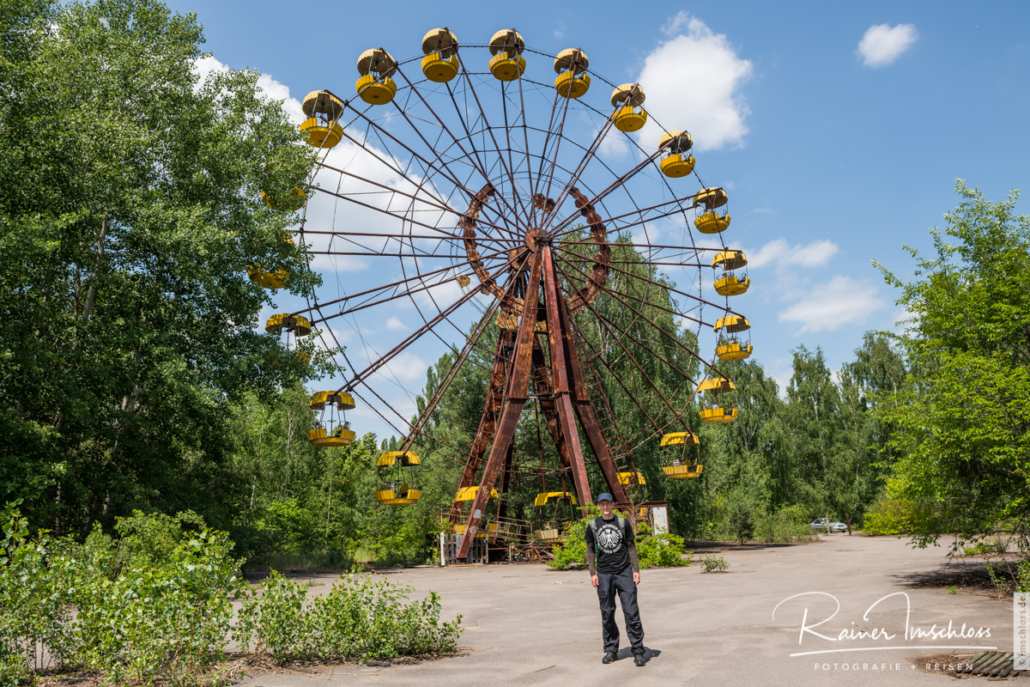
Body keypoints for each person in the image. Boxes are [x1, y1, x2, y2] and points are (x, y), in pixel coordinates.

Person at [585, 493, 646, 667]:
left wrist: (636, 570)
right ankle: (611, 650)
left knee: (631, 611)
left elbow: (631, 547)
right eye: (602, 504)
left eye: (607, 504)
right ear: (598, 506)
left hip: (624, 572)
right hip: (603, 574)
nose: (605, 507)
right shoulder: (593, 525)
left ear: (613, 504)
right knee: (607, 612)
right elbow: (590, 550)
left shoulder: (622, 523)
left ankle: (638, 651)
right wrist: (593, 572)